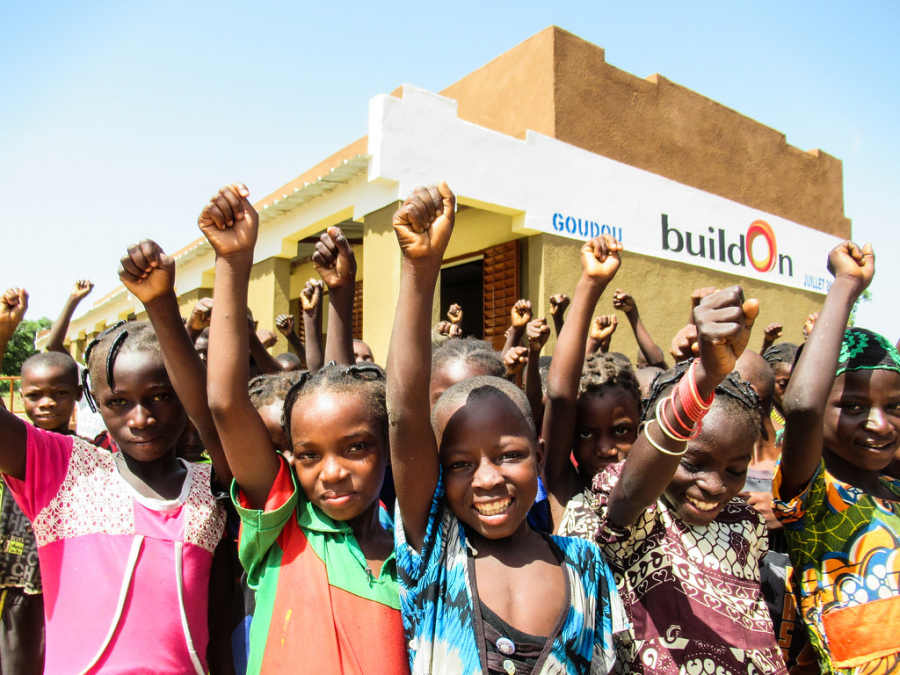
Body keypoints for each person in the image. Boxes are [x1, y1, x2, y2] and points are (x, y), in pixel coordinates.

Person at [387, 183, 625, 675]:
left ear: (540, 453)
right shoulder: (436, 548)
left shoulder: (585, 565)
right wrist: (419, 269)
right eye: (459, 464)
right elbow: (404, 414)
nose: (487, 478)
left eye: (509, 455)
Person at [199, 183, 408, 675]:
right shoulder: (285, 524)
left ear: (388, 447)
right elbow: (226, 404)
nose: (331, 473)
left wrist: (342, 296)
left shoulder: (414, 554)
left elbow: (345, 399)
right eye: (309, 455)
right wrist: (232, 261)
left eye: (355, 448)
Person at [0, 291, 228, 673]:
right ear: (94, 400)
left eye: (161, 397)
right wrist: (3, 334)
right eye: (119, 402)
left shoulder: (213, 487)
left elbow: (219, 625)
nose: (141, 419)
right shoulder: (65, 469)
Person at [591, 287, 787, 674]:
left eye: (735, 470)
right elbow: (630, 494)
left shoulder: (745, 521)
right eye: (693, 464)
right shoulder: (636, 507)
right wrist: (704, 379)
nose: (714, 486)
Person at [773, 240, 900, 673]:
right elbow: (803, 406)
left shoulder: (896, 491)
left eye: (894, 406)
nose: (879, 424)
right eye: (853, 407)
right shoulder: (815, 496)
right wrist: (846, 284)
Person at [541, 239, 642, 539]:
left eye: (621, 430)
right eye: (586, 433)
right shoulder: (563, 487)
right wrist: (590, 283)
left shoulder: (657, 495)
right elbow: (560, 396)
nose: (605, 449)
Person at [0, 344, 82, 674]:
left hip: (68, 584)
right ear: (21, 396)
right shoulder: (14, 447)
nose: (47, 403)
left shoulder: (89, 452)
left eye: (59, 393)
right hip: (18, 581)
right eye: (35, 395)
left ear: (78, 394)